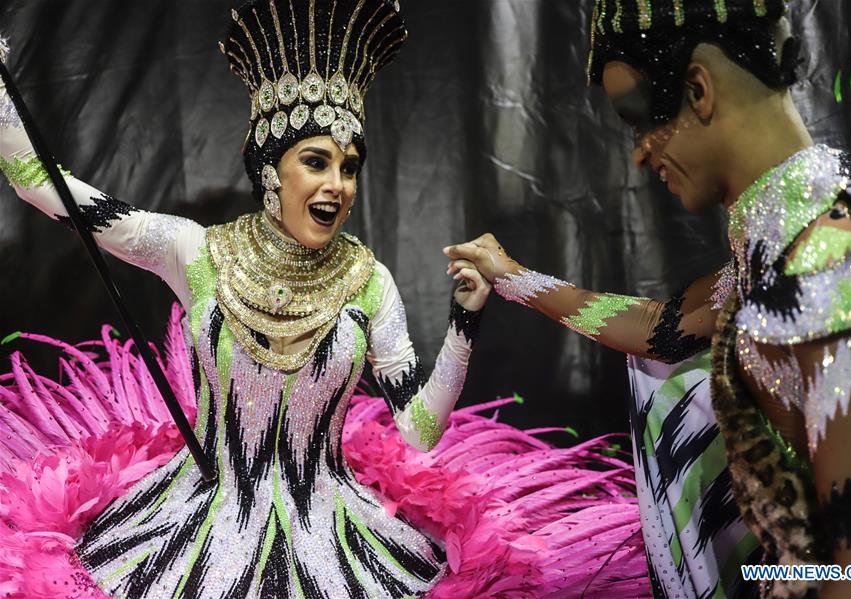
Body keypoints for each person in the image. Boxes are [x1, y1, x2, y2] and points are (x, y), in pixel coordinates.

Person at [0, 1, 651, 597]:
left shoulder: (369, 281)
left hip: (335, 545)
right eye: (315, 161)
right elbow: (42, 187)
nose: (336, 185)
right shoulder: (194, 251)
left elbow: (417, 432)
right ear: (267, 168)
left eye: (349, 166)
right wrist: (2, 99)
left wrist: (464, 323)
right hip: (186, 534)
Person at [445, 1, 851, 597]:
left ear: (699, 89)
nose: (638, 152)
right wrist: (514, 277)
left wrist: (756, 580)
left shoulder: (837, 246)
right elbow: (662, 329)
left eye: (638, 117)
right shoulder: (781, 228)